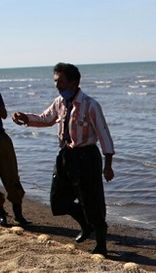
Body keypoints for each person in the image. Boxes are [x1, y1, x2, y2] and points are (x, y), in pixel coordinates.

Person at [12, 62, 115, 255]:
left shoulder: (90, 105)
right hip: (66, 155)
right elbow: (46, 118)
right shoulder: (59, 102)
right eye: (56, 82)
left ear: (74, 82)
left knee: (92, 201)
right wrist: (26, 118)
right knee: (58, 200)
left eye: (60, 82)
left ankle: (101, 245)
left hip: (87, 156)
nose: (57, 86)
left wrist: (108, 165)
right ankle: (86, 225)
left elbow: (104, 135)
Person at [0, 92, 29, 227]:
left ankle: (18, 215)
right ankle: (1, 214)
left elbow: (4, 114)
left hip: (1, 140)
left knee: (12, 177)